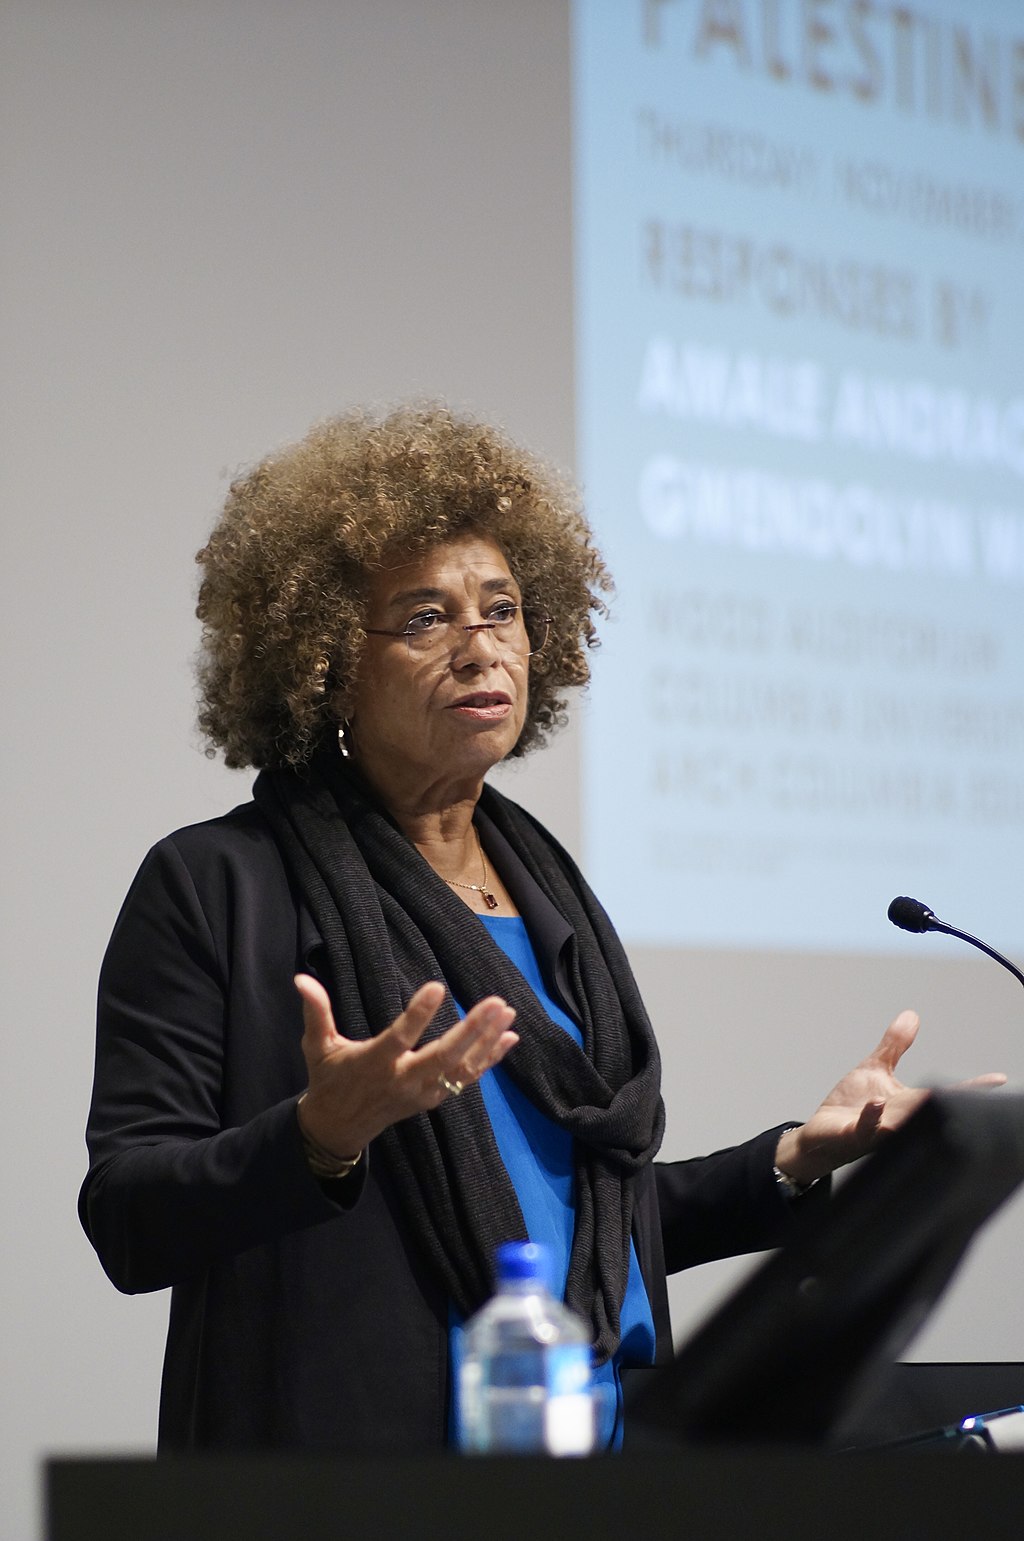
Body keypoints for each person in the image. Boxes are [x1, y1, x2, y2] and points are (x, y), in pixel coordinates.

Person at [78, 404, 1004, 1453]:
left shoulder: (549, 890)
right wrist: (317, 1135)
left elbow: (582, 1222)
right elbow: (127, 1213)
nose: (481, 646)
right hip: (354, 1475)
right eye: (425, 617)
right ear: (326, 658)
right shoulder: (217, 883)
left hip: (589, 1459)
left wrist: (793, 1157)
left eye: (504, 609)